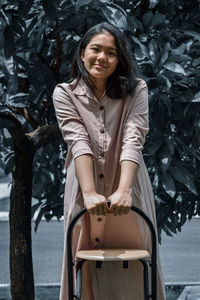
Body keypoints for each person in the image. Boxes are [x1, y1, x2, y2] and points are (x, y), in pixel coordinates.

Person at [53, 22, 166, 300]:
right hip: (84, 187)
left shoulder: (136, 90)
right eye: (95, 49)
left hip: (129, 185)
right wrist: (89, 193)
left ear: (120, 60)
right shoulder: (64, 93)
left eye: (111, 53)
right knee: (83, 264)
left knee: (137, 267)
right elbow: (78, 141)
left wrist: (124, 190)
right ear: (82, 53)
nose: (102, 58)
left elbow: (133, 138)